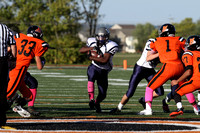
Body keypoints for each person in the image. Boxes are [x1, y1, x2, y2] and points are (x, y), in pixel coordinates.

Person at [138, 23, 195, 115]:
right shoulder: (180, 39)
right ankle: (196, 109)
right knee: (185, 87)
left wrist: (162, 54)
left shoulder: (157, 41)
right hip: (180, 67)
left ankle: (148, 109)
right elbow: (187, 52)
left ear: (164, 32)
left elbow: (148, 58)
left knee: (150, 87)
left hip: (168, 66)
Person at [109, 39, 164, 113]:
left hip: (150, 70)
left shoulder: (166, 46)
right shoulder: (152, 42)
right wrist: (161, 53)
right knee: (130, 92)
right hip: (140, 68)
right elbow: (149, 58)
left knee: (160, 92)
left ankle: (144, 99)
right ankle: (118, 108)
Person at [7, 25, 49, 117]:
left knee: (28, 96)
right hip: (19, 68)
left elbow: (9, 49)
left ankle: (17, 104)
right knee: (8, 94)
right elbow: (39, 67)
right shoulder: (40, 43)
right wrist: (42, 61)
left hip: (11, 66)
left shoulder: (19, 36)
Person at [79, 27, 118, 113]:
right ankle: (91, 99)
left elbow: (104, 60)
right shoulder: (92, 41)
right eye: (99, 37)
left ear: (107, 37)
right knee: (91, 76)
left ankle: (96, 102)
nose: (101, 39)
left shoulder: (111, 45)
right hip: (94, 66)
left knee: (103, 94)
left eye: (103, 37)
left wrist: (91, 57)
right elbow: (81, 50)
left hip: (104, 70)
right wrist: (91, 48)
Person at [170, 35, 200, 117]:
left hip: (196, 80)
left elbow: (189, 71)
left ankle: (179, 109)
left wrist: (177, 80)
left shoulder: (189, 53)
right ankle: (198, 107)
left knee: (177, 93)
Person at [0, 23, 16, 129]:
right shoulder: (5, 28)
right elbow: (13, 44)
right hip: (2, 61)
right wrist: (14, 59)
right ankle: (1, 119)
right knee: (1, 90)